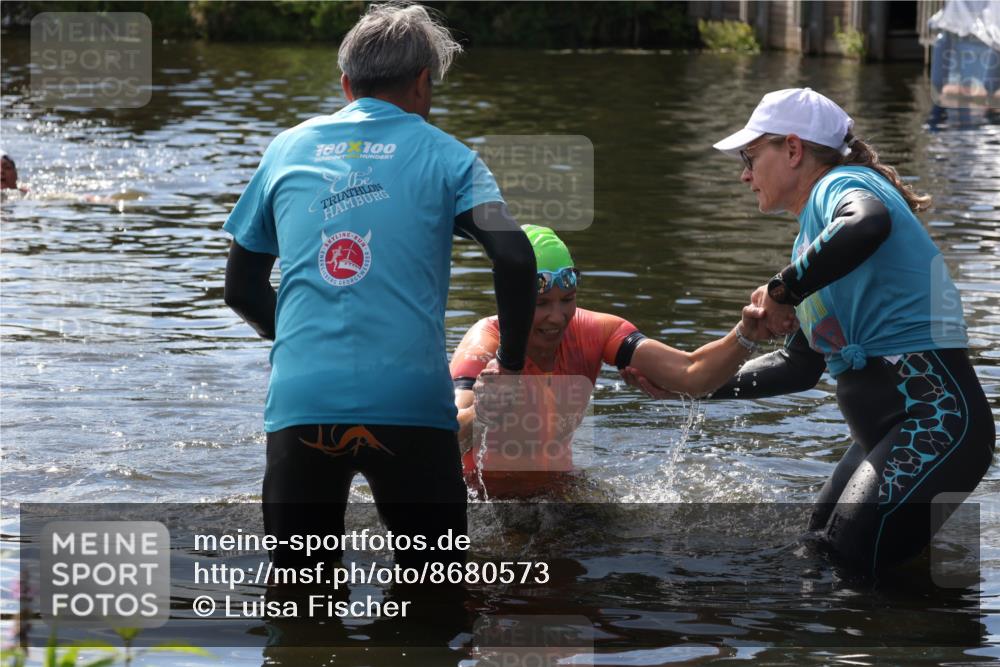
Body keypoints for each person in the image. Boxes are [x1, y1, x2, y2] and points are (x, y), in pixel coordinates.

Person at [625, 88, 995, 575]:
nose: (744, 174)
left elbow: (868, 222)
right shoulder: (812, 244)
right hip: (887, 433)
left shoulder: (841, 184)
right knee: (817, 550)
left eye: (751, 156)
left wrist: (783, 290)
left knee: (843, 565)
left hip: (936, 422)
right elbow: (798, 366)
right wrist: (690, 386)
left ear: (793, 150)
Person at [223, 2, 537, 571]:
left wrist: (295, 340)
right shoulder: (450, 158)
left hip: (304, 403)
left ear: (347, 84)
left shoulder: (286, 149)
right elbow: (515, 256)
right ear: (423, 83)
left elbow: (241, 287)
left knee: (298, 594)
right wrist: (510, 365)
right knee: (436, 589)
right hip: (410, 406)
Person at [450, 224, 788, 498]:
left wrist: (746, 334)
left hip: (556, 489)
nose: (557, 317)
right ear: (511, 300)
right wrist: (483, 413)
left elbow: (691, 373)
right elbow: (440, 440)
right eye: (541, 304)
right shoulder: (485, 343)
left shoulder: (594, 330)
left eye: (567, 299)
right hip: (482, 497)